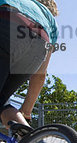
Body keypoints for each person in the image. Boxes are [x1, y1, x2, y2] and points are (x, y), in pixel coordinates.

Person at [0, 0, 58, 130]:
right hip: (39, 46)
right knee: (2, 103)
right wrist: (26, 110)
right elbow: (40, 75)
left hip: (9, 24)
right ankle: (30, 141)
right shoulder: (51, 22)